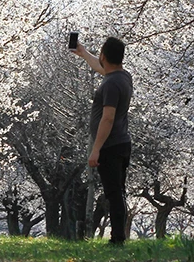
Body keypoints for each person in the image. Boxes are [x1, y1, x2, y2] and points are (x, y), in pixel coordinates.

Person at [72, 36, 133, 245]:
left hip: (110, 145)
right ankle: (119, 236)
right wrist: (83, 53)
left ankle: (117, 239)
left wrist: (96, 149)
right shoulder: (123, 77)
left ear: (104, 55)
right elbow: (103, 68)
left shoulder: (110, 85)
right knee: (118, 192)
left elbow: (107, 118)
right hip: (122, 142)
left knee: (114, 194)